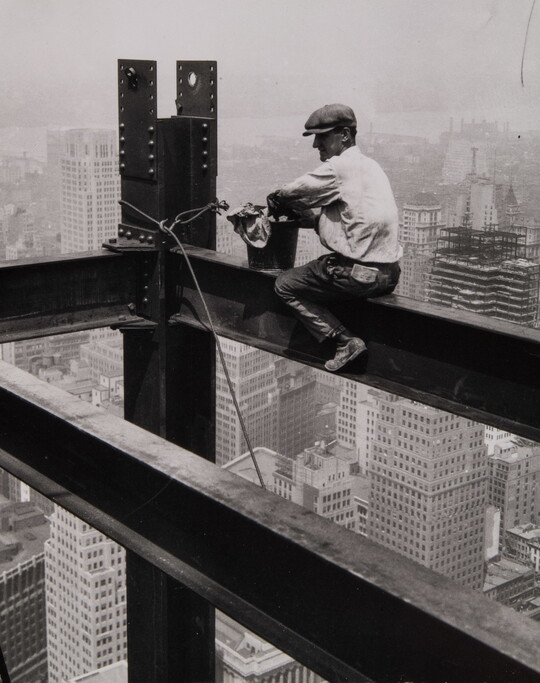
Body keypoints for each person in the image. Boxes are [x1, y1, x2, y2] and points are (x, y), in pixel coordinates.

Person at [268, 103, 402, 372]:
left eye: (322, 136)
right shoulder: (371, 166)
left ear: (344, 136)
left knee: (285, 284)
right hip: (388, 276)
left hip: (356, 277)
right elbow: (360, 222)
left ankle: (345, 341)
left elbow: (292, 191)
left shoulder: (340, 167)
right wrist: (317, 221)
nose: (316, 144)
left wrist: (276, 199)